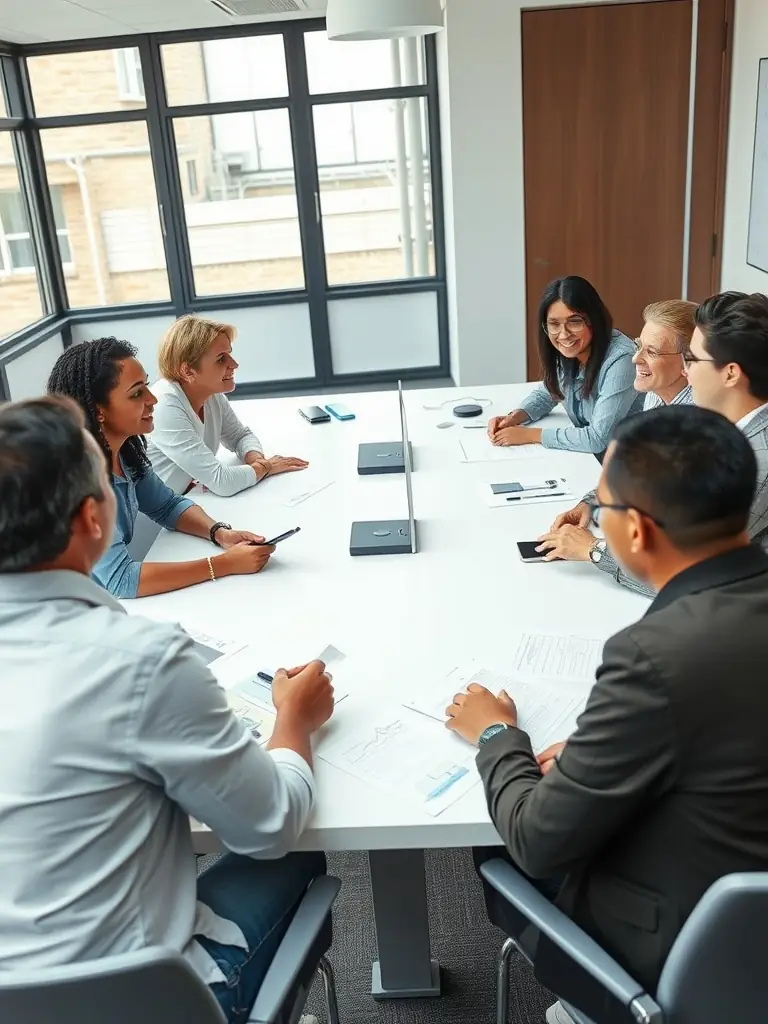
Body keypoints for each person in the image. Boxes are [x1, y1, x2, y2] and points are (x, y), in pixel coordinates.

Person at [0, 395, 335, 1024]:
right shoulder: (141, 660)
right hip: (151, 1003)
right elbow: (269, 827)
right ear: (92, 519)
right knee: (296, 856)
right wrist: (294, 719)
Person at [446, 405, 768, 1020]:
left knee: (494, 840)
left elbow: (536, 841)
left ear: (637, 532)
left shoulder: (654, 655)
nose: (596, 518)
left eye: (603, 508)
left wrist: (497, 734)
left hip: (689, 954)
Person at [537, 292, 768, 596]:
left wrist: (595, 550)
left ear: (731, 374)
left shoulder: (758, 461)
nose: (686, 371)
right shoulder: (727, 427)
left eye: (692, 359)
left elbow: (690, 576)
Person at [47, 338, 275, 599]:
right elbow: (122, 580)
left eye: (146, 385)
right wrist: (224, 565)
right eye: (136, 393)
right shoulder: (77, 486)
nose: (152, 399)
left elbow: (167, 506)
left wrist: (220, 533)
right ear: (98, 411)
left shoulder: (125, 456)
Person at [148, 315, 309, 497]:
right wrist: (266, 467)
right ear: (188, 371)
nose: (234, 364)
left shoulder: (211, 394)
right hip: (156, 514)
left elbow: (240, 436)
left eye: (229, 354)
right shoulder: (163, 405)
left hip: (185, 498)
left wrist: (256, 459)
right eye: (221, 359)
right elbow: (221, 481)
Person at [487, 276, 643, 455]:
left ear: (594, 319)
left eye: (575, 322)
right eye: (554, 324)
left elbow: (597, 438)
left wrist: (530, 435)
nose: (563, 335)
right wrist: (515, 417)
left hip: (628, 460)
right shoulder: (571, 351)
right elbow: (548, 394)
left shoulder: (622, 360)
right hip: (588, 457)